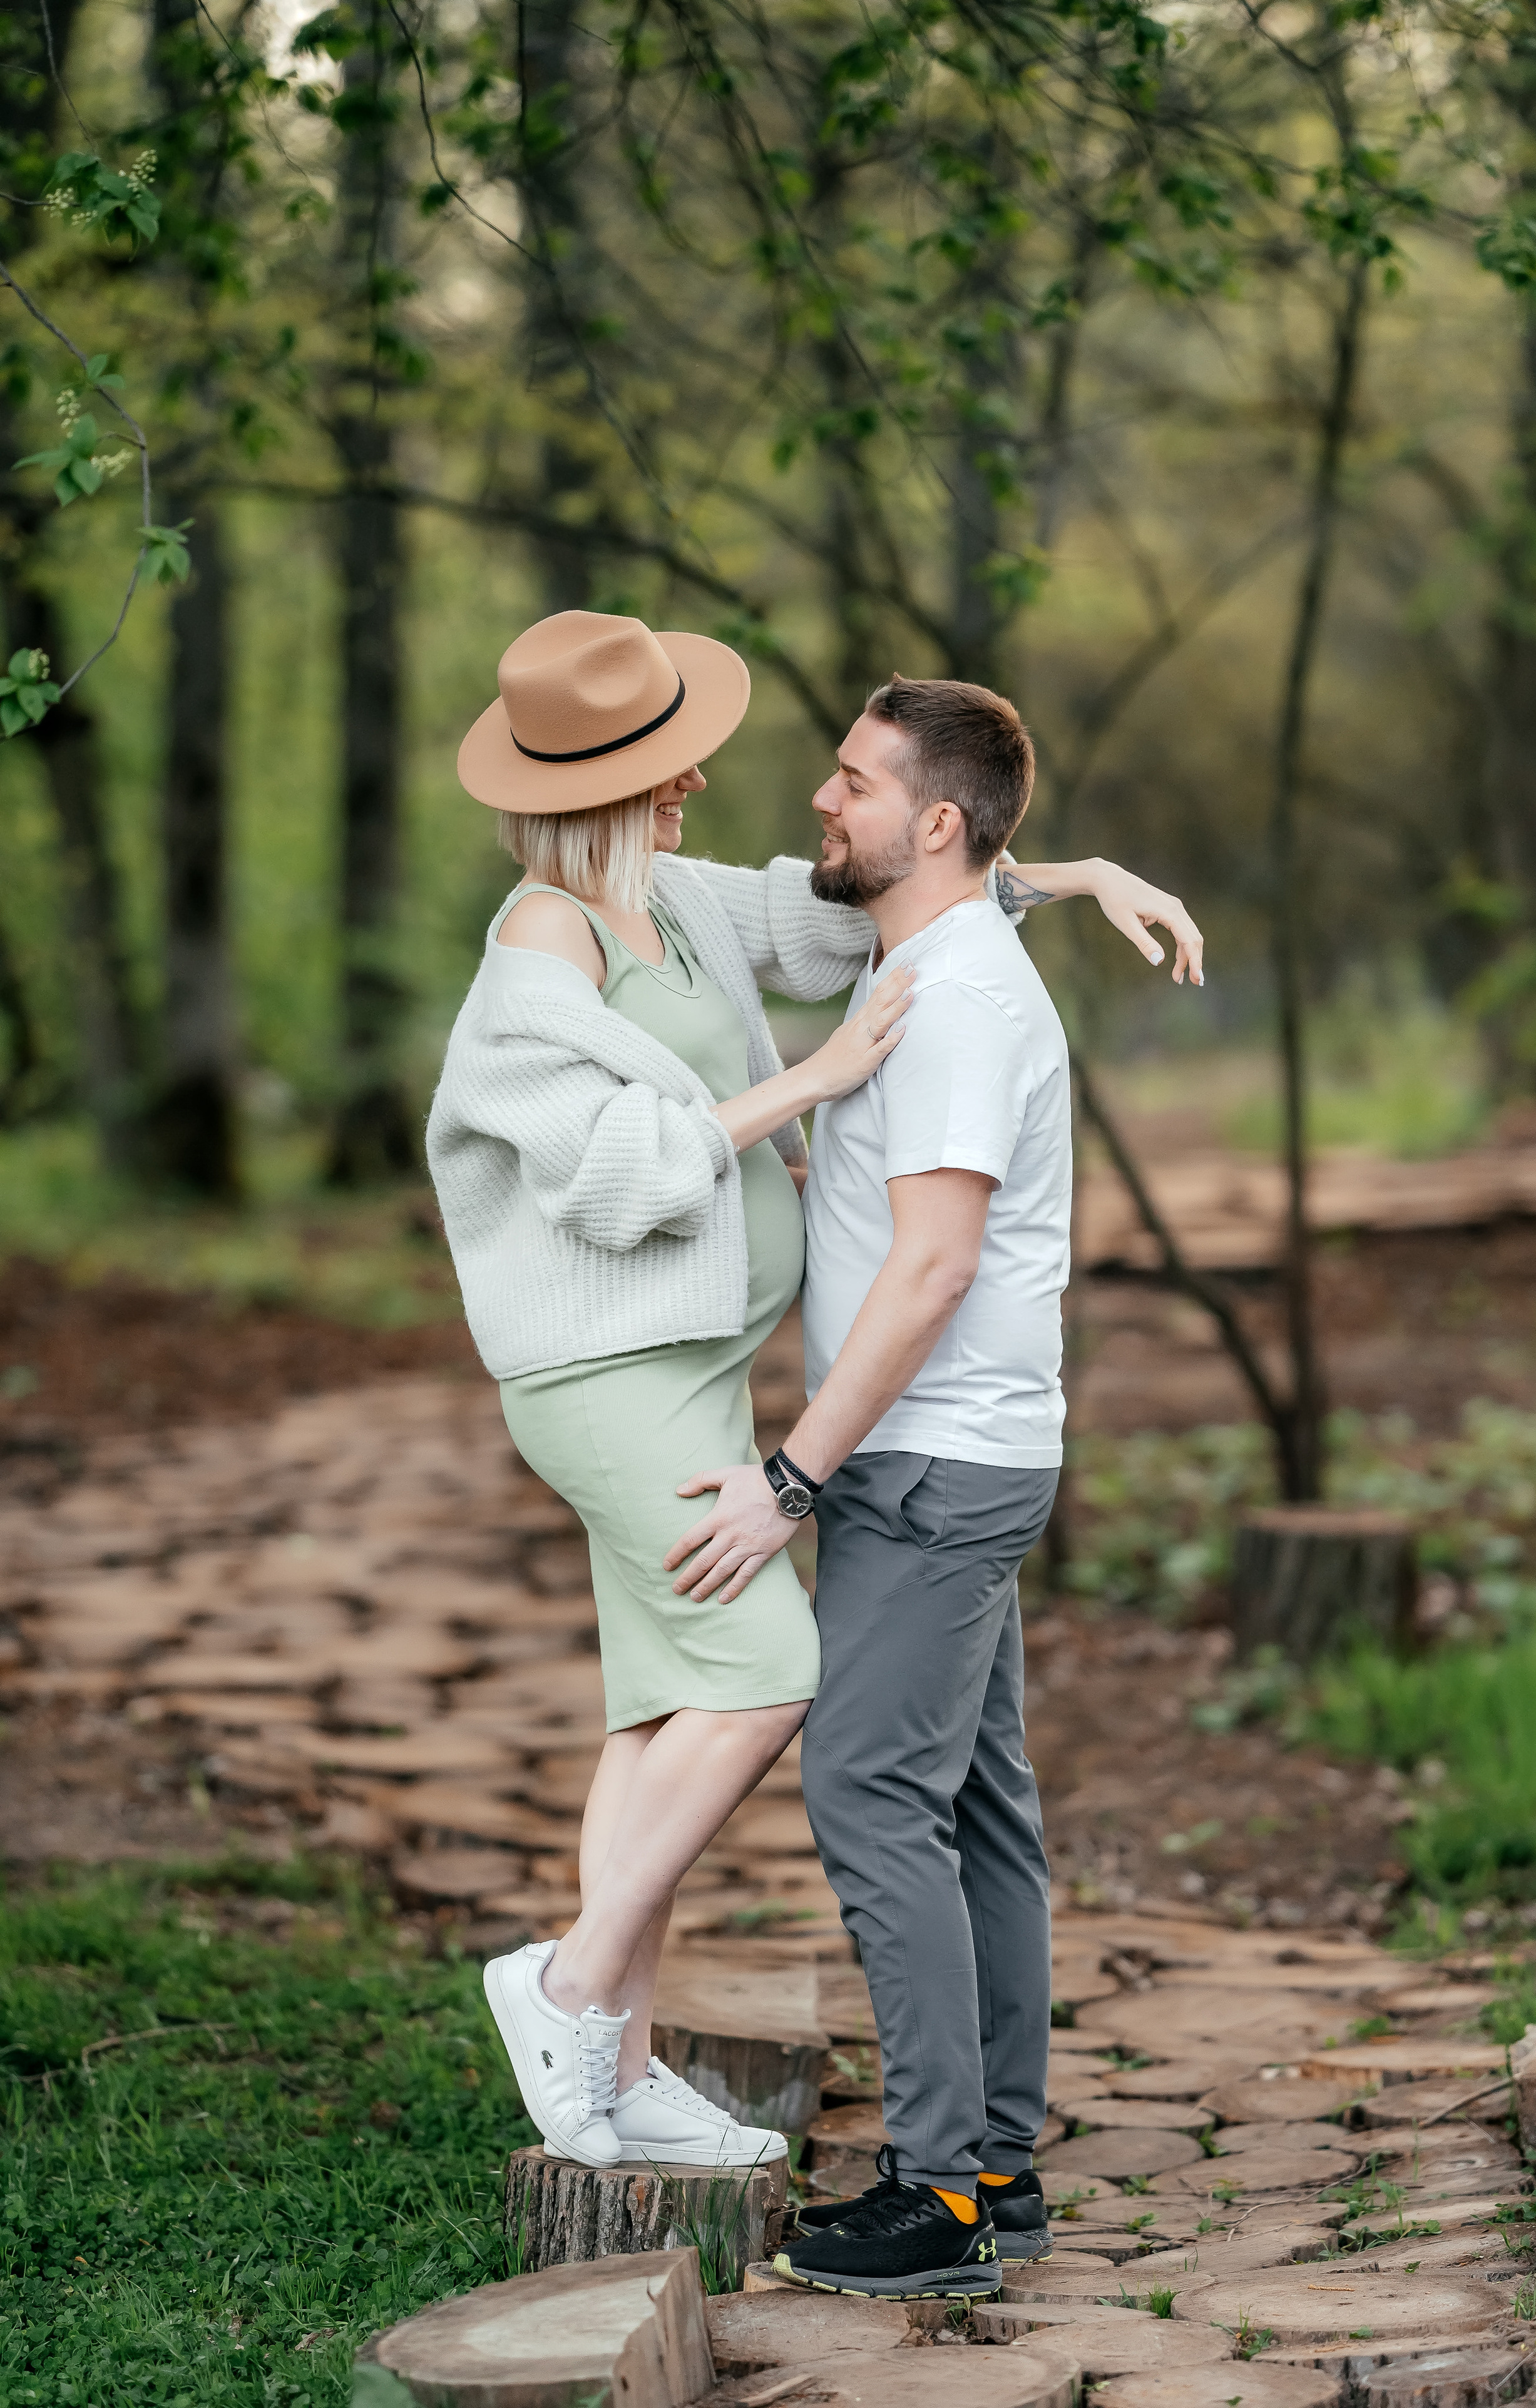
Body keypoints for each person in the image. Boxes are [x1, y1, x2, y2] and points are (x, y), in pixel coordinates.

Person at [428, 612, 1203, 2183]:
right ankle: (571, 1984)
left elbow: (876, 893)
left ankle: (615, 2064)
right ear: (602, 789)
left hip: (689, 1369)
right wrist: (811, 1080)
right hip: (607, 1376)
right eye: (668, 765)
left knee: (660, 1704)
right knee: (768, 1668)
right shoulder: (537, 952)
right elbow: (608, 1179)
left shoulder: (677, 902)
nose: (703, 780)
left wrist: (1077, 873)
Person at [663, 672, 1204, 2297]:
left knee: (868, 1796)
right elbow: (990, 888)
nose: (822, 798)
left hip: (928, 1462)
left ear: (938, 821)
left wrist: (790, 1478)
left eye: (855, 780)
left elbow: (934, 1267)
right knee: (973, 1807)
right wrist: (1084, 872)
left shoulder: (960, 999)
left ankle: (943, 2194)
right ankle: (998, 2168)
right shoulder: (938, 950)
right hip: (961, 1452)